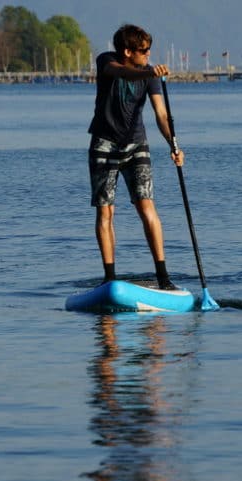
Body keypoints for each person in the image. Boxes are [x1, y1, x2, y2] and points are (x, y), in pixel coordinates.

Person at [87, 24, 185, 290]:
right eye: (143, 51)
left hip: (136, 145)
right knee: (106, 211)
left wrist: (174, 145)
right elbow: (122, 72)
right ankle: (109, 279)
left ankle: (164, 278)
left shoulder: (149, 73)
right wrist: (146, 72)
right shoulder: (107, 61)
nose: (148, 55)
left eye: (150, 50)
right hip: (104, 144)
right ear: (128, 51)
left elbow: (161, 115)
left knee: (147, 207)